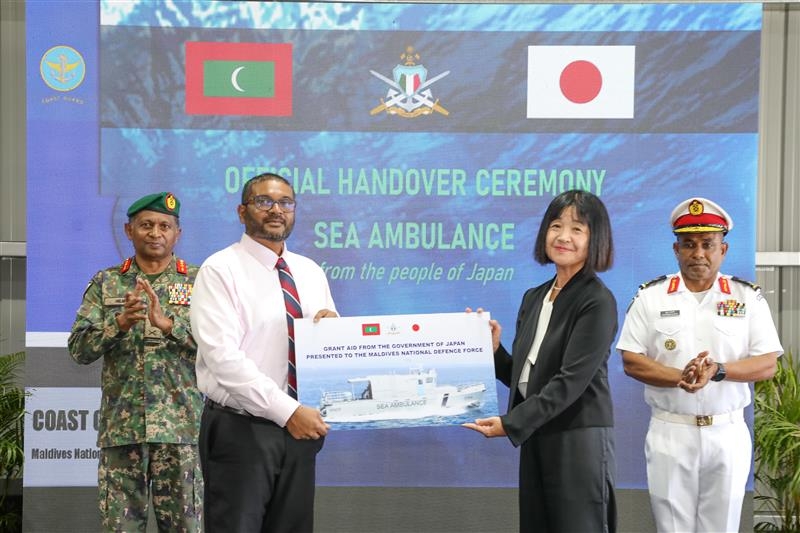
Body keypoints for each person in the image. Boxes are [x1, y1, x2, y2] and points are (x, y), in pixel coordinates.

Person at [616, 197, 783, 533]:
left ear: (723, 249)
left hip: (728, 432)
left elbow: (767, 364)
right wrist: (682, 377)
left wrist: (718, 371)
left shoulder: (747, 297)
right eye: (689, 245)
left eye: (708, 244)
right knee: (671, 527)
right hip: (670, 430)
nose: (698, 254)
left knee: (721, 527)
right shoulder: (651, 297)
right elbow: (631, 361)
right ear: (676, 249)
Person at [190, 173, 338, 532]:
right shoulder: (220, 269)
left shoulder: (310, 271)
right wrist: (288, 412)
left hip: (301, 432)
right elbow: (223, 359)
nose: (276, 210)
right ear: (242, 211)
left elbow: (330, 346)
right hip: (242, 429)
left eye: (286, 202)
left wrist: (332, 331)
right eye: (264, 202)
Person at [464, 190, 618, 533]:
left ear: (597, 239)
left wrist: (510, 423)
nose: (563, 236)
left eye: (577, 229)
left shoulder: (597, 301)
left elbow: (570, 383)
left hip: (577, 438)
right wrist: (494, 352)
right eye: (556, 225)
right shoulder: (534, 297)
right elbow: (525, 377)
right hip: (537, 432)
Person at [68, 192, 203, 532]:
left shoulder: (200, 281)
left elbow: (219, 349)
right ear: (129, 231)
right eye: (146, 225)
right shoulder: (106, 282)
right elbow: (78, 349)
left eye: (164, 226)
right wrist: (120, 324)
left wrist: (169, 326)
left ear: (177, 234)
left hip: (181, 429)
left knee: (185, 526)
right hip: (122, 432)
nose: (155, 233)